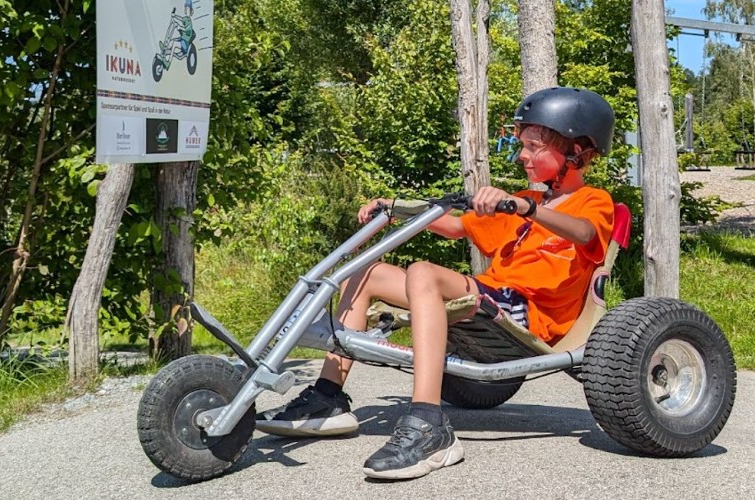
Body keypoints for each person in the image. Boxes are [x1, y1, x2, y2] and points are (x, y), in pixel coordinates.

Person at [255, 87, 619, 480]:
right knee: (366, 271)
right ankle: (327, 399)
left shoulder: (591, 202)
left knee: (424, 272)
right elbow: (457, 226)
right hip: (491, 295)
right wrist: (395, 207)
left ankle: (430, 424)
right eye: (521, 146)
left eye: (533, 147)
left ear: (576, 152)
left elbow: (584, 234)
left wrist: (526, 208)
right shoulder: (525, 198)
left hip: (529, 314)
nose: (522, 156)